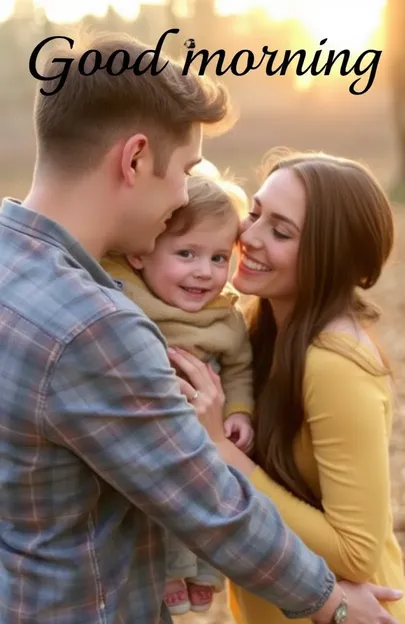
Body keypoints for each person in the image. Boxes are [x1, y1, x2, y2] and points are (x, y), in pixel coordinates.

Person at [0, 30, 402, 623]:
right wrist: (334, 604)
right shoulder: (96, 326)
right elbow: (209, 505)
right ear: (134, 159)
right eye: (186, 169)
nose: (189, 194)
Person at [168, 150, 405, 623]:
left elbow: (356, 553)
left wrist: (222, 448)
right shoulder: (250, 332)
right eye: (255, 214)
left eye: (281, 231)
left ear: (332, 256)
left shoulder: (335, 363)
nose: (250, 237)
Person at [101, 174, 255, 615]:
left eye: (219, 257)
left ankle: (204, 571)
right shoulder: (128, 298)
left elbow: (241, 368)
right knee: (158, 500)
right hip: (152, 431)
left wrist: (240, 412)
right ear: (140, 254)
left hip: (207, 425)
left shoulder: (224, 319)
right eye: (186, 253)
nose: (204, 271)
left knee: (213, 492)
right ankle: (170, 570)